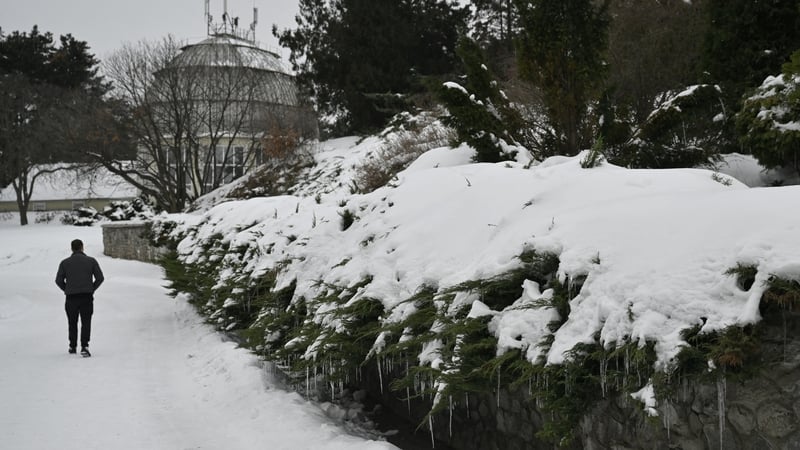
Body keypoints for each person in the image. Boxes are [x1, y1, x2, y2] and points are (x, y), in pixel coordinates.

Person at [55, 239, 104, 357]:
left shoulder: (65, 263)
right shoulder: (91, 261)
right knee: (86, 322)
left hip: (71, 298)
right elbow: (100, 278)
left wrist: (66, 289)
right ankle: (84, 346)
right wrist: (92, 288)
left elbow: (58, 280)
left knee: (72, 322)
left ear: (72, 248)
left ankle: (72, 346)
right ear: (82, 247)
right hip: (86, 296)